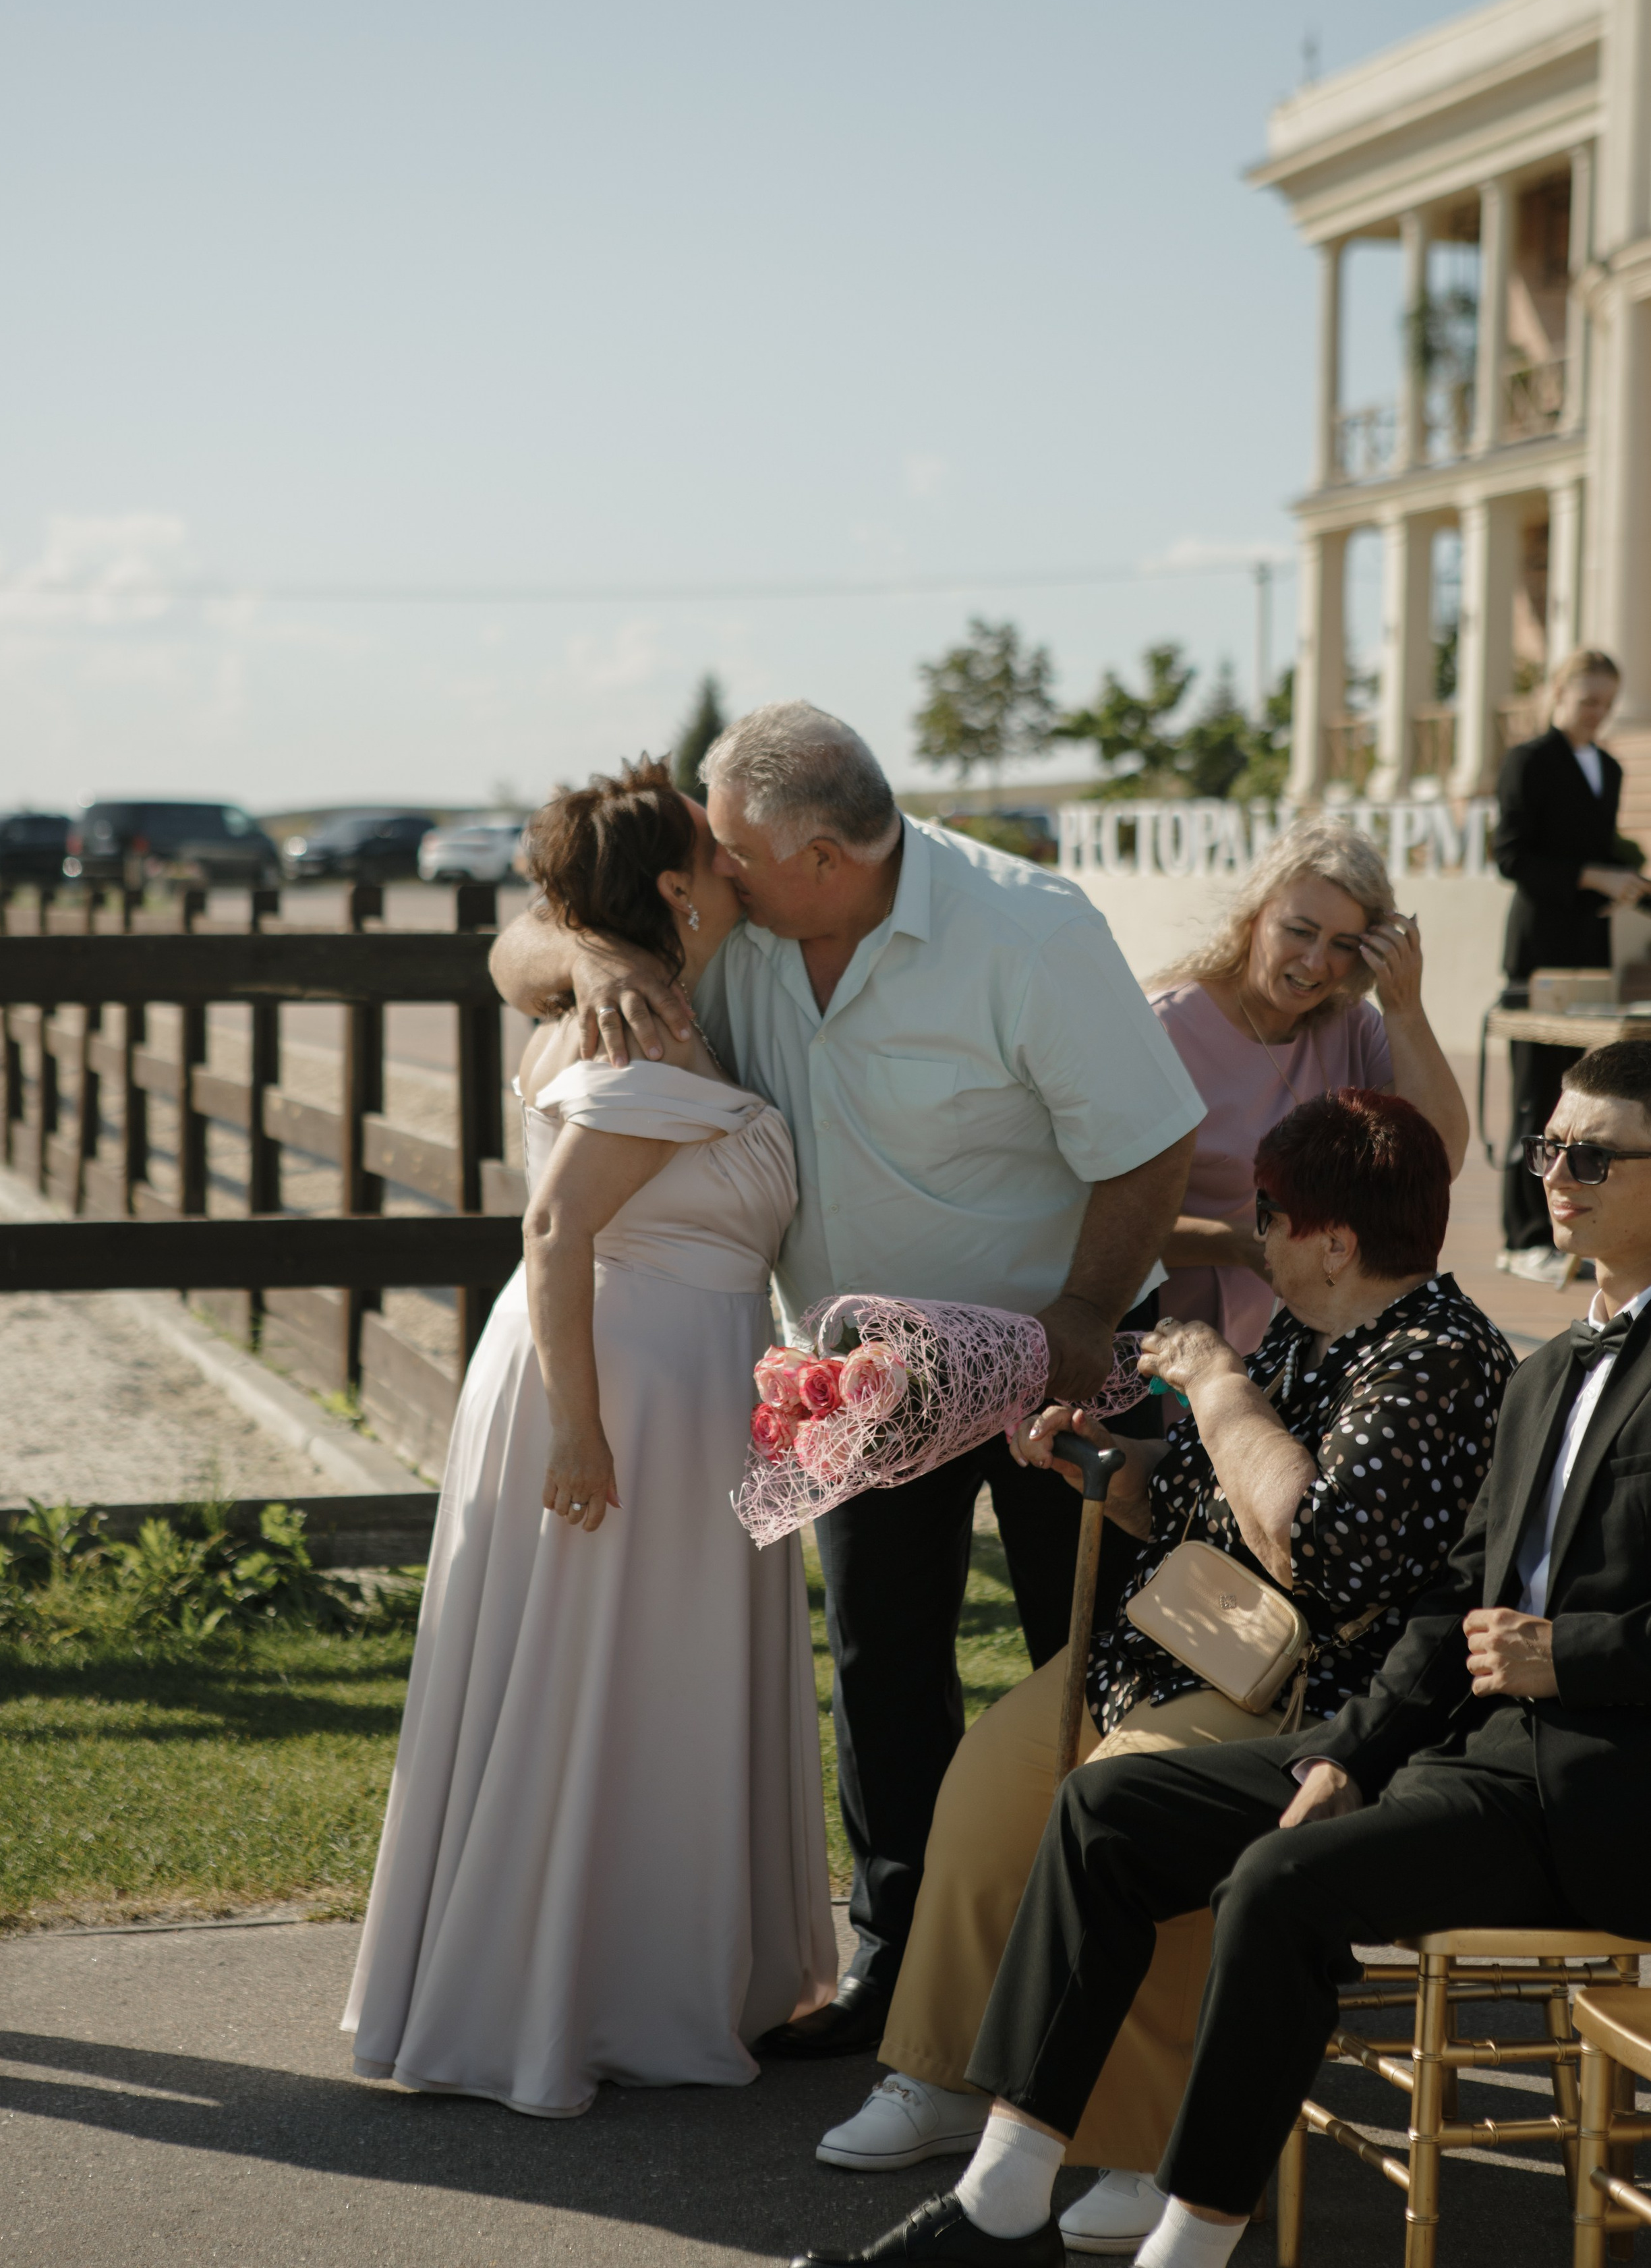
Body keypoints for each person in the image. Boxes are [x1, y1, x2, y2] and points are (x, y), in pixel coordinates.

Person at [795, 1036, 1651, 2268]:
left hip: (1600, 1789)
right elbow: (1452, 1606)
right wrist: (1351, 1757)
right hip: (1461, 1750)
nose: (1557, 1173)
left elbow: (1347, 1566)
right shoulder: (1552, 1368)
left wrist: (1571, 1653)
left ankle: (1176, 2224)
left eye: (1594, 1153)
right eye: (1548, 1145)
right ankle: (997, 2198)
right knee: (1106, 1810)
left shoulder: (1452, 1356)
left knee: (1276, 1883)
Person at [489, 702, 1207, 2053]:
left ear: (823, 857)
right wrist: (580, 944)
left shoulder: (1030, 932)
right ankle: (903, 1968)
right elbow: (510, 942)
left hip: (1061, 1361)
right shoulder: (737, 932)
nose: (707, 857)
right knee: (883, 1673)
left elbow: (1150, 1145)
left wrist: (1079, 1321)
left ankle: (1115, 1981)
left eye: (731, 842)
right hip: (864, 1383)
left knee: (1095, 1664)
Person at [342, 760, 835, 2116]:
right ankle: (571, 1994)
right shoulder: (646, 1036)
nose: (740, 861)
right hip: (620, 1387)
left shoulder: (618, 996)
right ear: (677, 887)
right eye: (715, 849)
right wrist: (581, 1434)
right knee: (603, 1677)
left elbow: (523, 947)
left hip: (654, 1373)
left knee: (629, 1683)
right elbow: (555, 1229)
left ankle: (614, 1972)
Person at [1145, 816, 1468, 1359]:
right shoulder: (1164, 1031)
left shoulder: (1355, 1024)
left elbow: (1440, 1159)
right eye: (1299, 931)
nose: (1316, 962)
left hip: (1317, 1341)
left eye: (1343, 943)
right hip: (1179, 1343)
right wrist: (1240, 1244)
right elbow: (1100, 1220)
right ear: (1253, 916)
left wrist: (1404, 1007)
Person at [1495, 646, 1651, 1285]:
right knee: (1536, 1098)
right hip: (1538, 954)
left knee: (1581, 1096)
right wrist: (1593, 874)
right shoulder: (1527, 761)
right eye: (1587, 700)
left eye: (1607, 703)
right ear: (1556, 695)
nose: (1597, 713)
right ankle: (1522, 1236)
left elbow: (1600, 846)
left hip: (1589, 950)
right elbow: (1511, 856)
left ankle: (1571, 1237)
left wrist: (1625, 880)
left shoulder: (1609, 768)